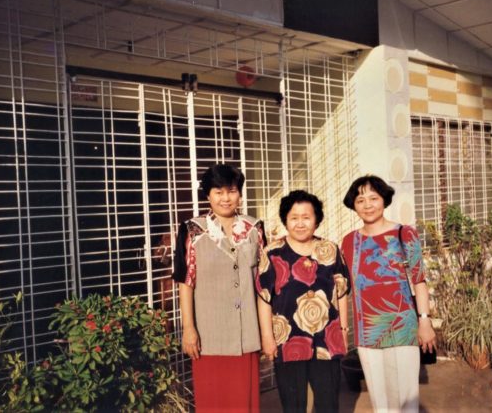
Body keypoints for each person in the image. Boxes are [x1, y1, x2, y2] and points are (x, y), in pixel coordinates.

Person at [172, 164, 265, 413]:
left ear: (240, 194)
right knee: (213, 401)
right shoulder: (193, 230)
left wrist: (266, 331)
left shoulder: (254, 228)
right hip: (208, 334)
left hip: (246, 332)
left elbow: (262, 283)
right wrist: (188, 328)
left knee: (244, 401)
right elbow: (186, 282)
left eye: (232, 191)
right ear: (208, 195)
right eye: (218, 192)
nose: (226, 198)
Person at [340, 175, 436, 413]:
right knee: (379, 401)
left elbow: (419, 281)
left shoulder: (404, 234)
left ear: (384, 200)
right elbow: (343, 287)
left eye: (373, 198)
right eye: (360, 200)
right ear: (354, 205)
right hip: (367, 331)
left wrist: (425, 322)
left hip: (402, 327)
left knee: (406, 399)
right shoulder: (349, 242)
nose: (368, 205)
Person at [256, 190, 350, 413]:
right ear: (285, 220)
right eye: (294, 218)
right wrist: (267, 337)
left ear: (316, 220)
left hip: (327, 339)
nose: (300, 223)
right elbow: (264, 297)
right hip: (288, 339)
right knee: (293, 405)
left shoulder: (330, 249)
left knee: (328, 404)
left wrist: (344, 330)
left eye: (306, 217)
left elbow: (342, 292)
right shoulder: (272, 253)